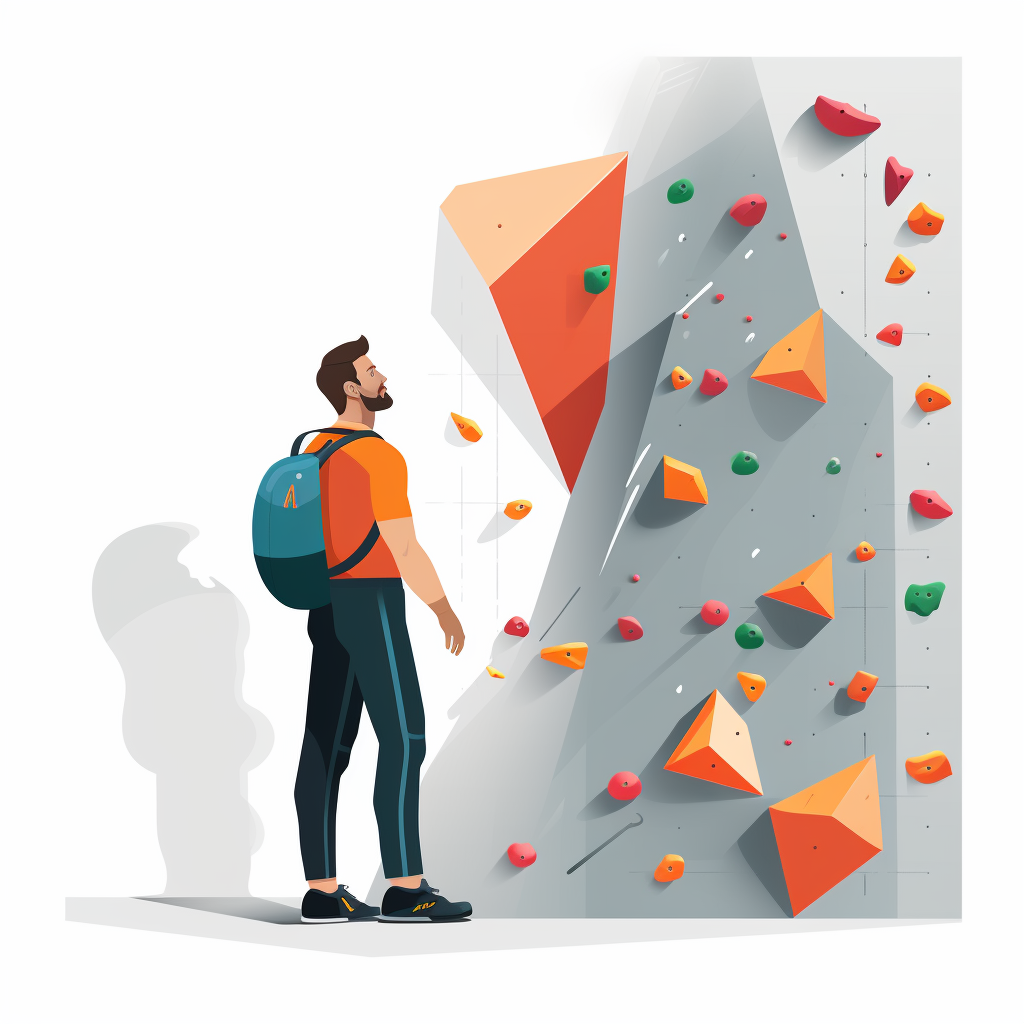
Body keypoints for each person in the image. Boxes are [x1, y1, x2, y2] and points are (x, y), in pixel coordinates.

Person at [294, 335, 472, 924]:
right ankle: (406, 886)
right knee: (403, 738)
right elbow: (402, 544)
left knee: (326, 742)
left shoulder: (307, 446)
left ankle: (322, 890)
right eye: (372, 371)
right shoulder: (378, 455)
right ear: (351, 387)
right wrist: (442, 606)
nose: (382, 377)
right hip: (370, 598)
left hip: (325, 602)